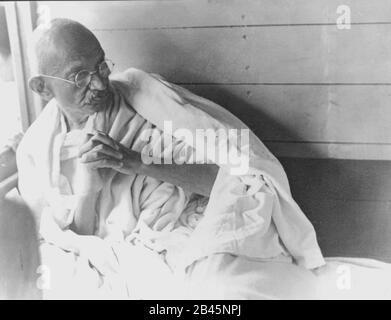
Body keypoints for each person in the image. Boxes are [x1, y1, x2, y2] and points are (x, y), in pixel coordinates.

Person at [17, 18, 325, 299]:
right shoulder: (37, 149)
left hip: (191, 225)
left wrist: (134, 161)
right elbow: (73, 240)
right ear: (43, 88)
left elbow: (235, 176)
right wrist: (88, 191)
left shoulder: (145, 98)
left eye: (100, 66)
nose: (99, 83)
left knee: (219, 289)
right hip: (124, 251)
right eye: (80, 76)